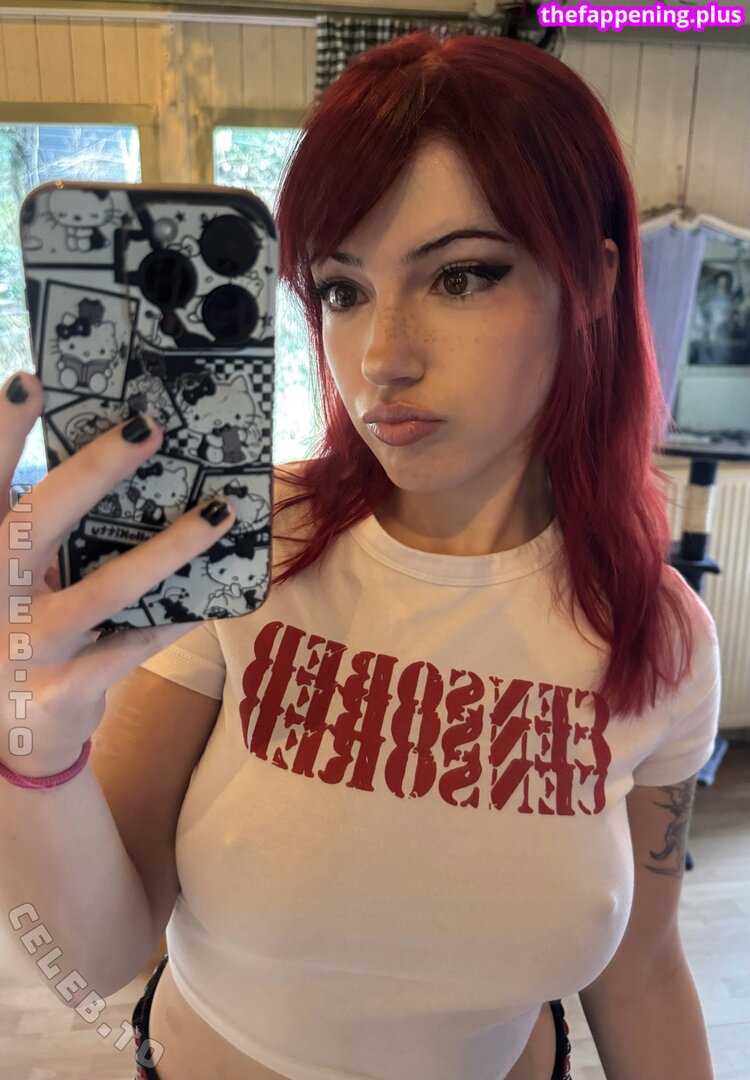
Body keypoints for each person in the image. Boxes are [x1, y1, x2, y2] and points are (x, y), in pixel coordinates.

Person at [0, 30, 721, 1080]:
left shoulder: (660, 637)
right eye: (341, 290)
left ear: (595, 279)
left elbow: (644, 972)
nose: (382, 359)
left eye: (461, 276)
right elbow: (93, 961)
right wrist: (35, 750)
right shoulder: (243, 541)